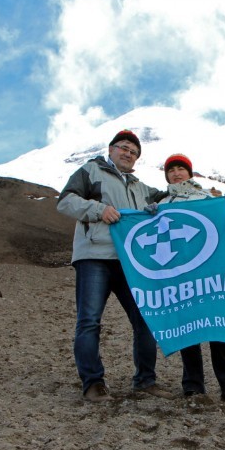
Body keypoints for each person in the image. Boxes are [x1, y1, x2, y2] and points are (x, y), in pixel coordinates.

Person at [57, 130, 171, 403]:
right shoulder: (90, 171)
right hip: (95, 255)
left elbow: (172, 200)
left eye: (133, 152)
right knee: (89, 321)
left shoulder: (141, 188)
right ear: (110, 149)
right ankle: (93, 384)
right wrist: (98, 210)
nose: (128, 153)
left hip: (130, 262)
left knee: (145, 319)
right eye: (123, 148)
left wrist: (221, 201)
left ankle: (145, 381)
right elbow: (65, 202)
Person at [157, 153, 225, 403]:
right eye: (171, 170)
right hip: (182, 273)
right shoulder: (162, 203)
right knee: (188, 330)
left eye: (181, 169)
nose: (176, 173)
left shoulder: (207, 199)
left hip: (210, 272)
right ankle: (193, 387)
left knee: (218, 326)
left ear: (190, 173)